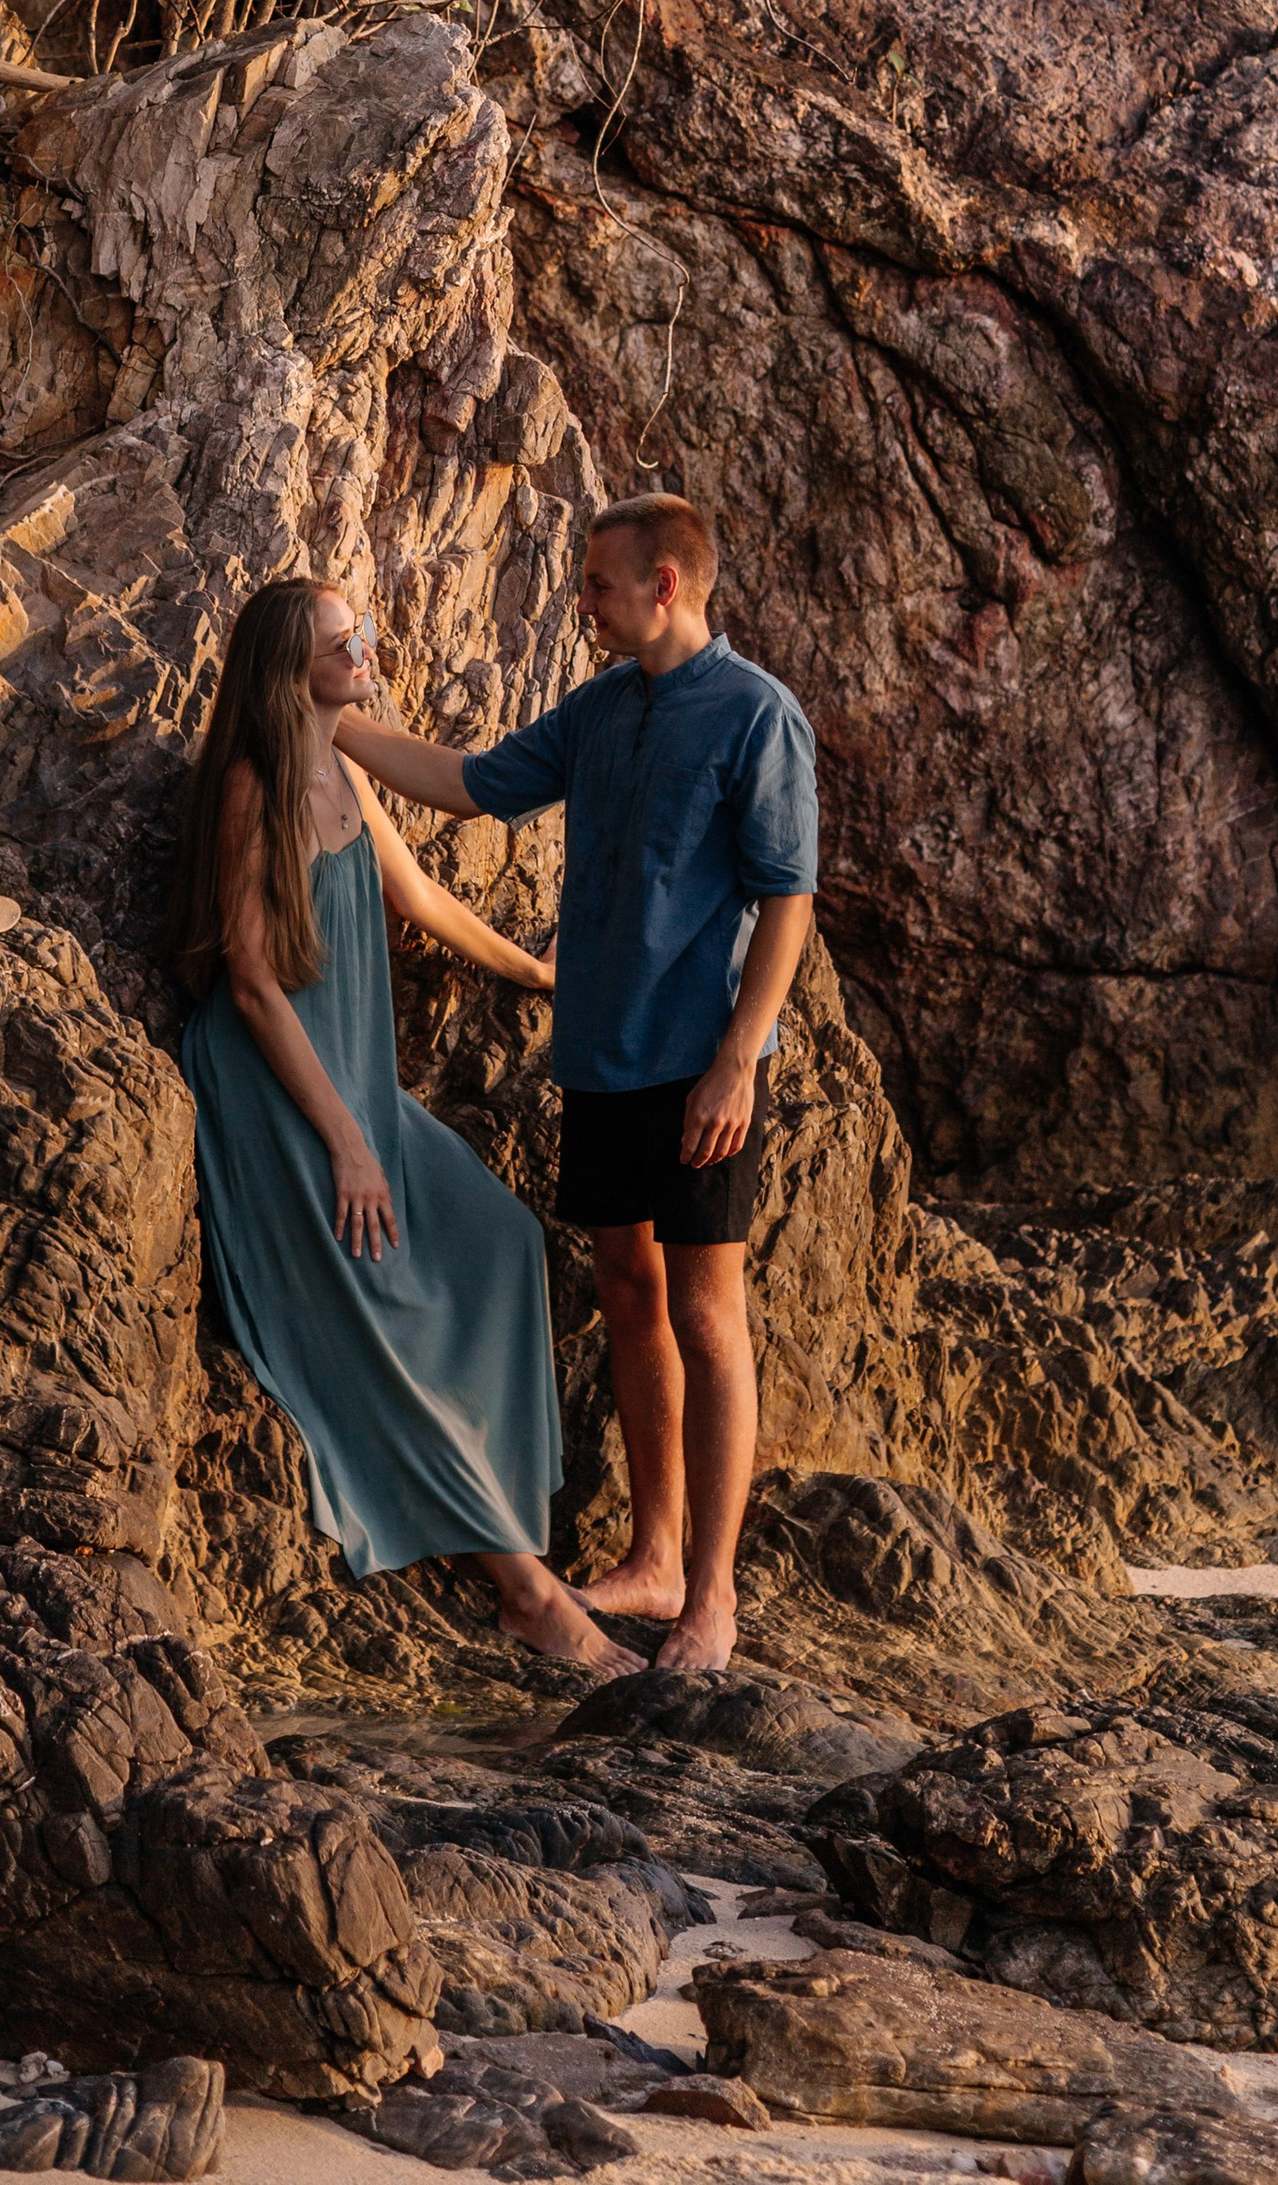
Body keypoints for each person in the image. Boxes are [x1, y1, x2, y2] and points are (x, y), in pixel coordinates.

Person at [337, 491, 816, 1672]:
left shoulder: (758, 714)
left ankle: (711, 1598)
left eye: (599, 583)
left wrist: (736, 1062)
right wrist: (330, 723)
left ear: (664, 586)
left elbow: (787, 899)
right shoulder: (603, 707)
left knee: (708, 1315)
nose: (581, 599)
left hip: (702, 1065)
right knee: (625, 1287)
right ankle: (654, 1561)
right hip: (599, 1055)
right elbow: (471, 783)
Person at [175, 573, 633, 1677]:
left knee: (499, 1240)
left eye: (363, 631)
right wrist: (343, 1142)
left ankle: (500, 1506)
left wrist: (535, 972)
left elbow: (416, 896)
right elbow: (245, 979)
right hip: (275, 1082)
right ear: (293, 666)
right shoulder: (255, 784)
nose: (367, 649)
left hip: (357, 1078)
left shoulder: (342, 765)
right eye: (344, 641)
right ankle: (525, 1592)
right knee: (372, 1300)